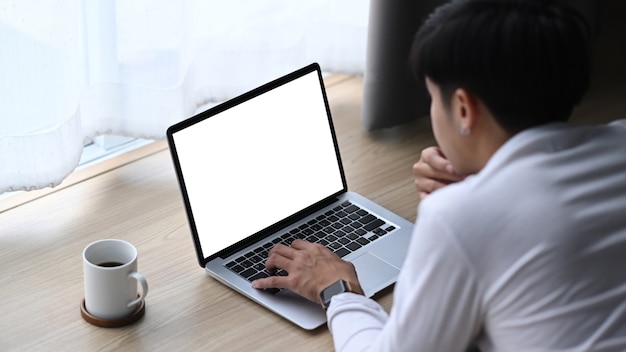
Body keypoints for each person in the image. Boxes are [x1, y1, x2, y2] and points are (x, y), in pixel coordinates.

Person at [252, 0, 626, 350]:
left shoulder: (461, 216)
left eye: (433, 98)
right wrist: (482, 178)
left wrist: (336, 289)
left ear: (463, 108)